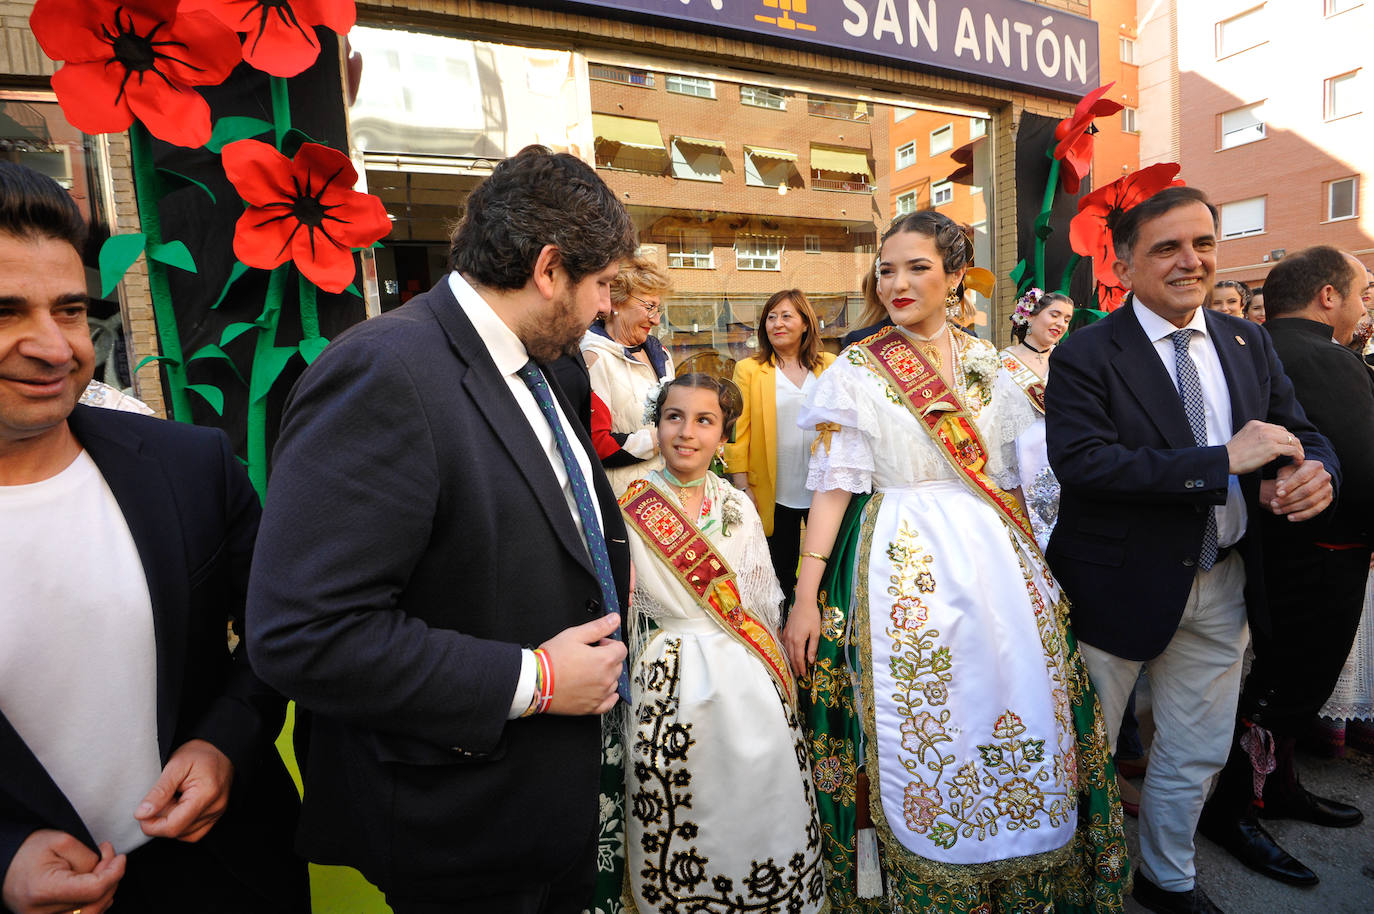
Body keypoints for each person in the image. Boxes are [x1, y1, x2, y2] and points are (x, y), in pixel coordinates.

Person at [246, 146, 634, 914]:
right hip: (460, 823)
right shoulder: (384, 372)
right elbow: (305, 632)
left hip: (549, 800)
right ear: (550, 269)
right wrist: (537, 681)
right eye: (604, 286)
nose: (607, 309)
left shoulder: (551, 363)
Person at [784, 210, 1129, 913]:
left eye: (916, 267)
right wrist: (805, 596)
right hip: (897, 557)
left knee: (1013, 697)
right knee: (922, 718)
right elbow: (832, 487)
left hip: (996, 564)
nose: (898, 282)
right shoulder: (858, 367)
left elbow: (1018, 478)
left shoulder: (994, 365)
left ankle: (1018, 869)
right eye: (887, 269)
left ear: (953, 277)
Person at [0, 162, 306, 914]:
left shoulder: (187, 466)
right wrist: (3, 855)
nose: (53, 347)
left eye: (69, 311)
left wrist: (223, 743)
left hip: (227, 873)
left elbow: (284, 630)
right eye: (6, 311)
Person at [1045, 185, 1337, 914]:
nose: (1190, 261)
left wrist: (1312, 473)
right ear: (1124, 262)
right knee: (1085, 752)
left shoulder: (1248, 341)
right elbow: (1084, 463)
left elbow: (1297, 430)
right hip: (1115, 590)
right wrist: (1219, 462)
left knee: (1196, 750)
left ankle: (1166, 876)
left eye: (1203, 243)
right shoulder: (1086, 353)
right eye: (1167, 247)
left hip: (1225, 581)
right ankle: (1069, 881)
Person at [618, 374, 827, 913]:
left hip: (744, 669)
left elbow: (759, 604)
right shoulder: (628, 505)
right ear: (656, 425)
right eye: (674, 417)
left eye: (704, 421)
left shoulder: (737, 505)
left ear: (724, 435)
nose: (687, 433)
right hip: (666, 676)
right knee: (680, 799)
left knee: (757, 791)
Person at [1200, 246, 1373, 887]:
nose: (1364, 305)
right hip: (1321, 555)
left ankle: (1280, 788)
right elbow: (1362, 467)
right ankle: (1235, 807)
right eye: (1361, 292)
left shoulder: (1257, 346)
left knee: (1282, 684)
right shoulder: (1322, 356)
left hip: (1278, 548)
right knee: (1288, 691)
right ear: (1327, 296)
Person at [726, 289, 836, 607]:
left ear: (805, 323)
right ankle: (782, 648)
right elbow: (739, 433)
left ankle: (825, 650)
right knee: (780, 578)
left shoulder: (830, 366)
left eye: (786, 316)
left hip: (823, 489)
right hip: (773, 492)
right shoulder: (749, 370)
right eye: (771, 318)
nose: (777, 324)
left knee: (825, 577)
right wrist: (743, 487)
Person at [581, 256, 673, 495]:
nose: (656, 319)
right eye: (649, 306)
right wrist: (664, 438)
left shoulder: (660, 353)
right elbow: (599, 445)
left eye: (659, 308)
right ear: (616, 303)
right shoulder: (595, 358)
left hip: (667, 490)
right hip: (626, 499)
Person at [995, 287, 1074, 548]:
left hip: (1065, 458)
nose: (1061, 323)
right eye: (1055, 315)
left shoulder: (1070, 361)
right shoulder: (1001, 363)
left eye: (1067, 319)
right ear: (1030, 316)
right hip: (1020, 461)